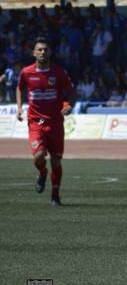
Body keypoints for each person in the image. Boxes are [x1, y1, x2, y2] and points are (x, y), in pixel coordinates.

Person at [16, 37, 75, 206]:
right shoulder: (27, 72)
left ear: (50, 52)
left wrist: (69, 105)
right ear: (34, 53)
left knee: (56, 161)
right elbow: (19, 88)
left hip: (55, 122)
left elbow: (71, 92)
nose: (42, 52)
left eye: (45, 49)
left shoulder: (58, 72)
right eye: (39, 49)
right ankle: (42, 172)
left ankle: (55, 196)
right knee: (39, 156)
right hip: (37, 121)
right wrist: (20, 108)